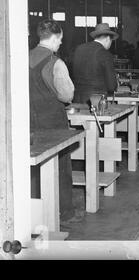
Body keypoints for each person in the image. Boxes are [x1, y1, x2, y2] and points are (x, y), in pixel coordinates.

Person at [29, 19, 81, 225]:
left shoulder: (20, 57)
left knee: (33, 166)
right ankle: (65, 212)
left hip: (28, 121)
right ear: (54, 37)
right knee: (60, 165)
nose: (60, 43)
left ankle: (34, 214)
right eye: (60, 39)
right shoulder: (56, 63)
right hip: (52, 120)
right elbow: (66, 95)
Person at [72, 23, 119, 104]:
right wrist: (116, 84)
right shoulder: (105, 54)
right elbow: (111, 86)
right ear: (108, 38)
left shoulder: (79, 49)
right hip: (96, 101)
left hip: (77, 99)